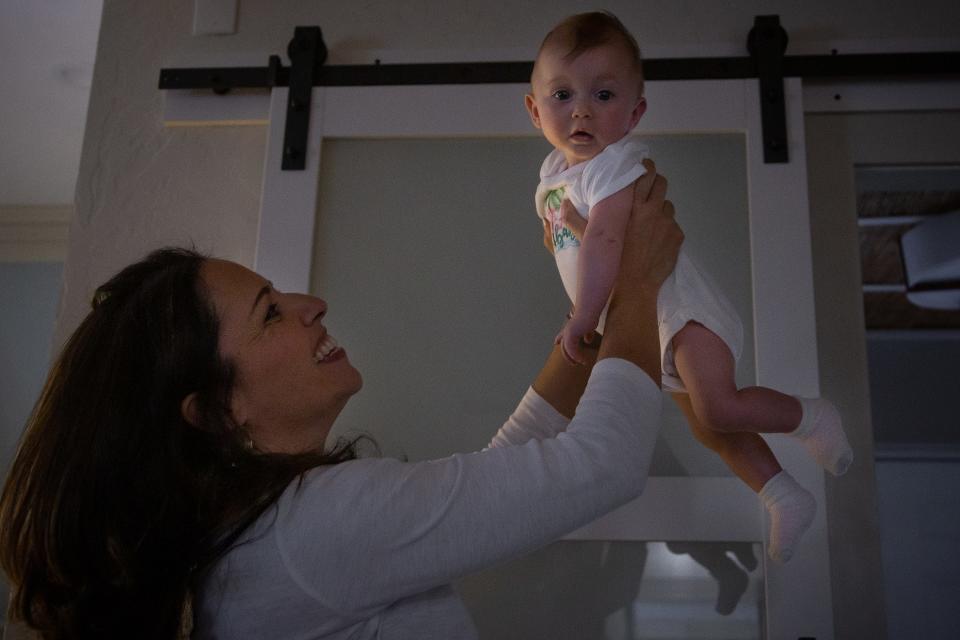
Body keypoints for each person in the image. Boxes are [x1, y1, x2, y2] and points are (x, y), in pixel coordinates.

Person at [0, 163, 680, 639]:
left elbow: (493, 480)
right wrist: (638, 285)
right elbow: (605, 464)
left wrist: (581, 337)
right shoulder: (311, 527)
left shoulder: (264, 539)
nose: (311, 306)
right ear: (214, 411)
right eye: (269, 313)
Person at [524, 11, 853, 563]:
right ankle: (782, 494)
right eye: (562, 94)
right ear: (534, 110)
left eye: (603, 94)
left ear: (634, 114)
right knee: (709, 427)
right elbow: (576, 246)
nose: (580, 109)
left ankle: (813, 417)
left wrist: (583, 317)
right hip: (645, 322)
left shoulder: (612, 164)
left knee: (719, 407)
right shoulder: (554, 177)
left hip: (682, 309)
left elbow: (606, 240)